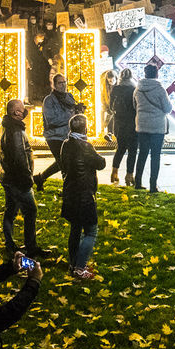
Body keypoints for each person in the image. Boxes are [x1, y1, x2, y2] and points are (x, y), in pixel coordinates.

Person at [0, 99, 49, 258]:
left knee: (10, 210)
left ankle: (10, 244)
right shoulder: (16, 130)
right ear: (14, 112)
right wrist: (27, 178)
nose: (25, 112)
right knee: (30, 211)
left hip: (7, 177)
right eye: (21, 110)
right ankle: (31, 246)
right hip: (18, 179)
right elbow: (20, 157)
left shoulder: (5, 126)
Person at [60, 114, 106, 278]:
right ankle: (80, 267)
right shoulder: (85, 146)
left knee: (75, 229)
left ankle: (73, 264)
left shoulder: (66, 144)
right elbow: (101, 163)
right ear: (85, 128)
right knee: (91, 232)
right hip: (85, 196)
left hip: (70, 194)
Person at [34, 73, 83, 190]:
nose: (63, 85)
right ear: (54, 85)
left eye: (64, 82)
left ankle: (40, 178)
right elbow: (51, 120)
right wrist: (70, 115)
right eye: (60, 83)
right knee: (65, 164)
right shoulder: (49, 100)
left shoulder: (69, 97)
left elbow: (73, 117)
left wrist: (78, 111)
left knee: (63, 162)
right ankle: (69, 191)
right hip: (54, 136)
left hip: (67, 135)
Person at [133, 64, 171, 193]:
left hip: (142, 126)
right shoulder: (160, 89)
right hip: (156, 127)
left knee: (142, 154)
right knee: (155, 156)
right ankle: (152, 185)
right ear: (156, 74)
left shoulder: (138, 89)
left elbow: (134, 105)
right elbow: (168, 108)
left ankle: (137, 182)